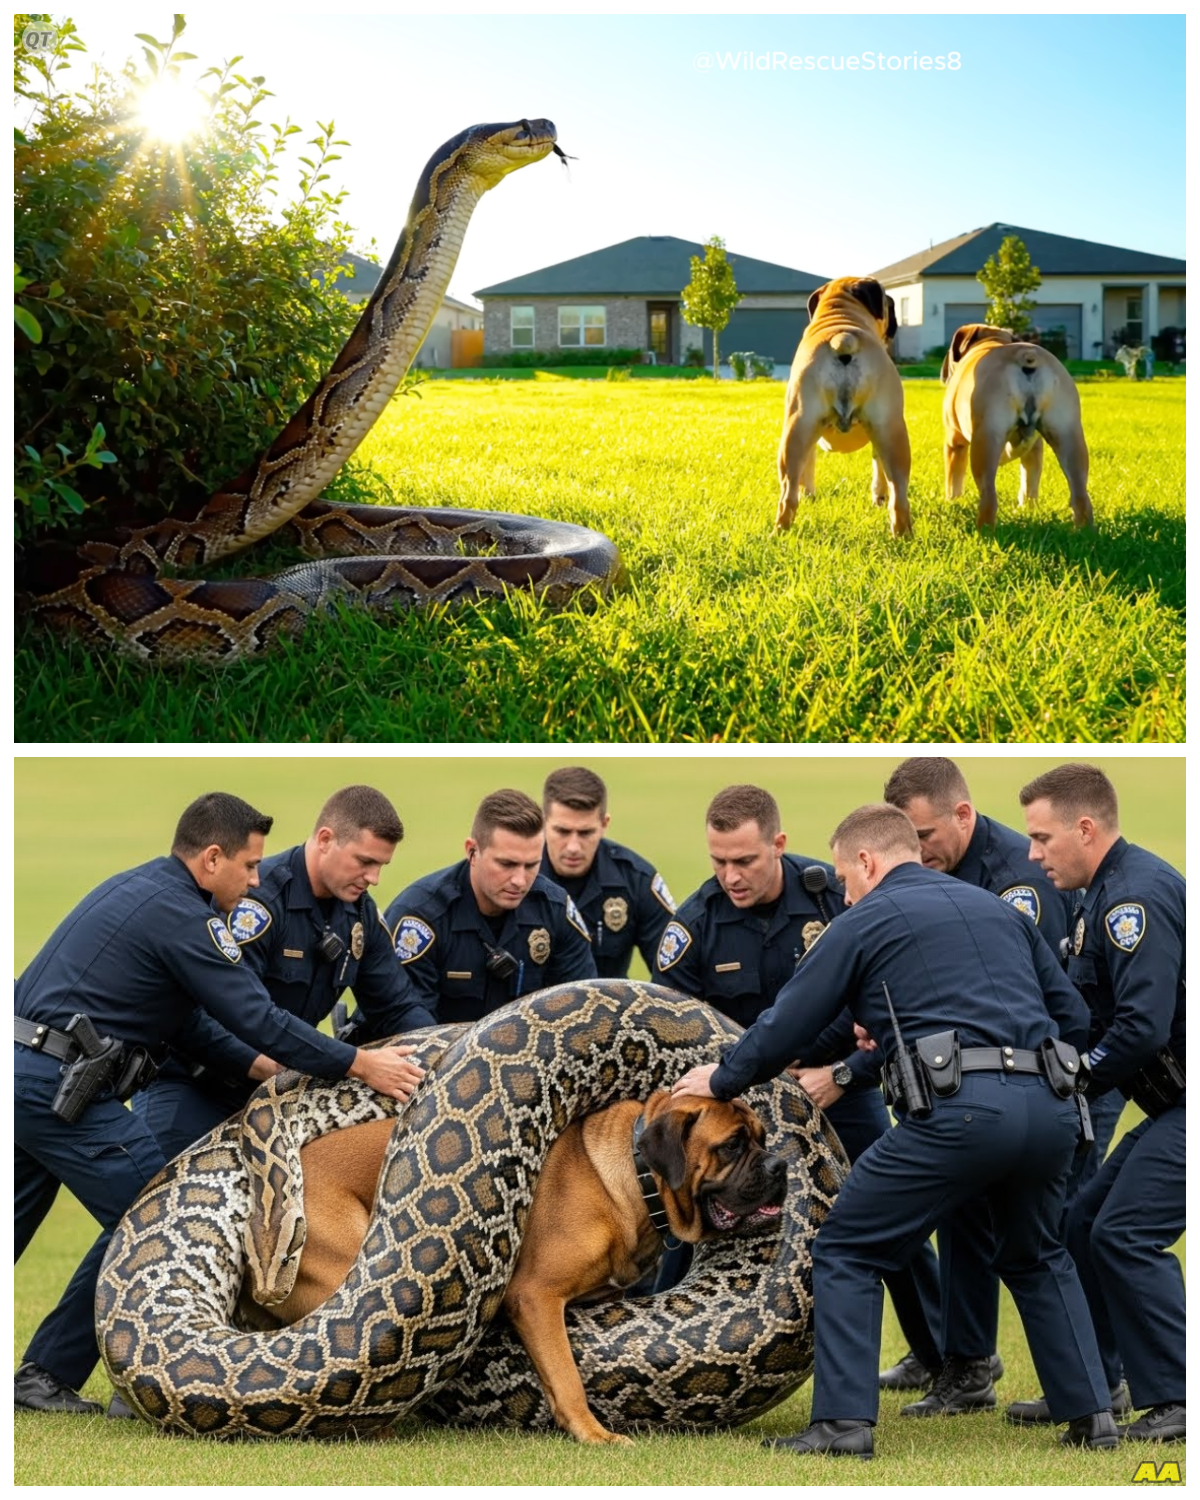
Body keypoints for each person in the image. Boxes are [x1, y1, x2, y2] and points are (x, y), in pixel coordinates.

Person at [673, 803, 1119, 1461]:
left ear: (867, 862)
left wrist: (722, 1079)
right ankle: (1094, 1416)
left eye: (846, 879)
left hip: (961, 1114)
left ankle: (842, 1425)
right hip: (1048, 1110)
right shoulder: (998, 911)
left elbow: (789, 1023)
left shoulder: (865, 918)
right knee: (1037, 1253)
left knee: (850, 1248)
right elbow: (1072, 1015)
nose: (845, 893)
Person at [14, 793, 424, 1417]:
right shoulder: (185, 915)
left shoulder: (152, 892)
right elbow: (252, 1015)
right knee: (157, 1214)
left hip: (34, 1073)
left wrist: (278, 1070)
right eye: (248, 866)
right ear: (211, 859)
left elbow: (191, 1022)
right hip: (64, 1084)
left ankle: (42, 1377)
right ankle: (135, 1372)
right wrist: (357, 1063)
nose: (256, 879)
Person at [652, 785, 941, 1377]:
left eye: (745, 861)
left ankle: (945, 1359)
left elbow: (875, 1014)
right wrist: (752, 1072)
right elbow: (679, 1031)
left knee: (892, 1216)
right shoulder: (692, 927)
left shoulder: (833, 895)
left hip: (835, 1088)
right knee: (687, 1216)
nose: (730, 875)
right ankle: (651, 1343)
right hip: (739, 1102)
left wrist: (835, 1071)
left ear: (778, 845)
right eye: (718, 861)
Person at [876, 755, 1092, 1409]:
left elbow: (1045, 1004)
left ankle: (1092, 1381)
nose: (913, 855)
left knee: (1052, 1230)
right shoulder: (921, 875)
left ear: (963, 815)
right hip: (978, 1075)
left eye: (924, 839)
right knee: (962, 1208)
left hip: (1060, 1069)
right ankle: (965, 1362)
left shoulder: (1017, 884)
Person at [133, 785, 435, 1164]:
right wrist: (340, 1064)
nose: (373, 878)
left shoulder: (359, 915)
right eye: (364, 861)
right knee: (155, 1216)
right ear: (325, 839)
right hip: (195, 1090)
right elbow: (224, 1016)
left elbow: (398, 1006)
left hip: (275, 1096)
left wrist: (444, 1054)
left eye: (381, 867)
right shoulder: (256, 903)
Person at [1018, 764, 1185, 1443]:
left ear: (1085, 829)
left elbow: (1141, 1027)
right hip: (1174, 1107)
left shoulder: (1132, 900)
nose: (1032, 853)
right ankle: (1107, 1382)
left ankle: (1178, 1399)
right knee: (1087, 1221)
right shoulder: (1098, 894)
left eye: (1041, 837)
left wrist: (1075, 1078)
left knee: (1124, 1233)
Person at [382, 789, 597, 1022]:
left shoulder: (554, 909)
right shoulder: (421, 918)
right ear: (472, 851)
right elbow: (408, 1025)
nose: (520, 880)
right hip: (432, 1054)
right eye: (507, 864)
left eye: (531, 865)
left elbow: (582, 1010)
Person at [539, 766, 676, 978]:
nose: (573, 846)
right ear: (543, 822)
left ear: (604, 824)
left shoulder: (636, 879)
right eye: (562, 831)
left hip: (611, 1010)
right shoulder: (516, 880)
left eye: (585, 832)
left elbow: (674, 974)